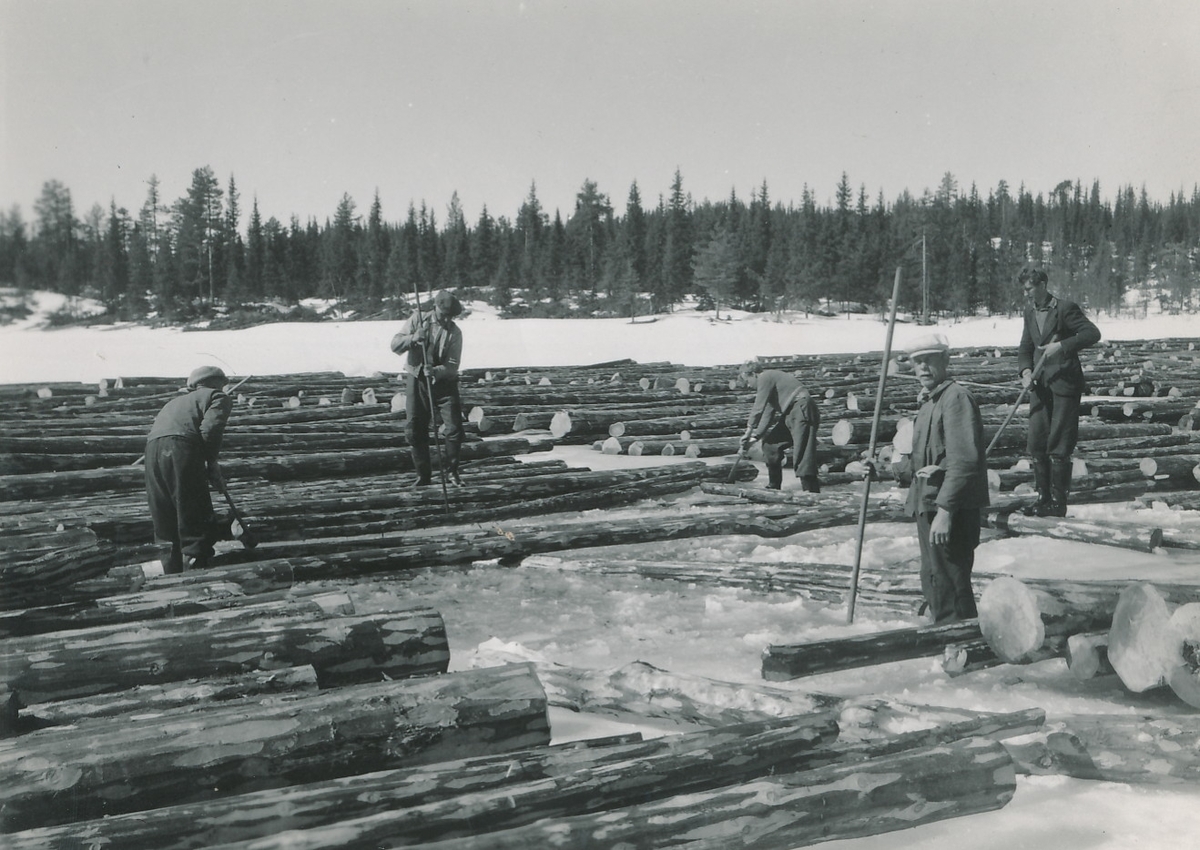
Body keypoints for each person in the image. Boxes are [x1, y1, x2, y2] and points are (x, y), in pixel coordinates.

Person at [893, 334, 989, 624]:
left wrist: (945, 511)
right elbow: (923, 462)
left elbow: (965, 460)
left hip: (950, 508)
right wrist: (889, 468)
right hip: (928, 504)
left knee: (951, 582)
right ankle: (947, 639)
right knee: (935, 578)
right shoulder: (929, 402)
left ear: (945, 360)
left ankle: (961, 645)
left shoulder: (955, 398)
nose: (922, 368)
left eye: (929, 360)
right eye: (917, 362)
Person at [1017, 268, 1101, 517]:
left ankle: (1058, 504)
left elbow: (1092, 333)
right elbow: (1025, 346)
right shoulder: (1029, 311)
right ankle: (1042, 499)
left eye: (1029, 288)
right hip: (1039, 385)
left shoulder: (1065, 308)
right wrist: (1024, 372)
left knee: (1060, 445)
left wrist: (1062, 346)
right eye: (1024, 289)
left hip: (1065, 384)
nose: (1026, 293)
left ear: (1042, 284)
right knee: (1037, 442)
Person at [144, 365, 234, 574]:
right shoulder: (217, 397)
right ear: (216, 383)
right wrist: (211, 464)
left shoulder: (173, 403)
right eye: (223, 384)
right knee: (193, 507)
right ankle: (196, 568)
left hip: (152, 450)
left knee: (164, 511)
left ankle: (171, 571)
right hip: (181, 447)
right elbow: (210, 431)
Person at [391, 289, 465, 487]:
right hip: (417, 379)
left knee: (454, 428)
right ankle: (423, 475)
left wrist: (437, 371)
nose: (447, 319)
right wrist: (413, 338)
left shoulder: (455, 332)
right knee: (415, 428)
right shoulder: (418, 320)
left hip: (444, 384)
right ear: (435, 308)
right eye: (444, 315)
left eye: (451, 316)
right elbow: (395, 344)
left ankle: (452, 472)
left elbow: (452, 365)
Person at [740, 367, 820, 492]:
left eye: (748, 381)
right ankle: (774, 486)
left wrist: (749, 429)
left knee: (803, 454)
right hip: (790, 413)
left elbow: (758, 407)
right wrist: (755, 437)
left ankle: (811, 492)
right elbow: (767, 414)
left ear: (754, 374)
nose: (749, 386)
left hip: (801, 409)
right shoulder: (771, 386)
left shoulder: (765, 377)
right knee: (770, 446)